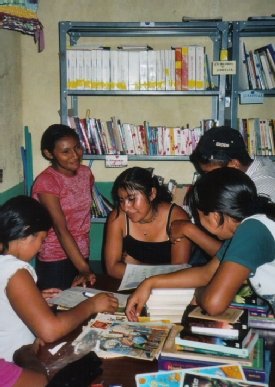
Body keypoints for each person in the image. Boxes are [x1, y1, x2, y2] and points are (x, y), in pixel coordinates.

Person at [126, 167, 275, 321]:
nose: (198, 222)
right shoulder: (248, 226)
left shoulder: (251, 230)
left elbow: (213, 304)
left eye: (198, 215)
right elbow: (206, 273)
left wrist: (198, 292)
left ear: (215, 216)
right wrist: (149, 283)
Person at [0, 195, 118, 362]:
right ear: (26, 231)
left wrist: (32, 301)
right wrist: (92, 305)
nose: (41, 249)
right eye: (42, 240)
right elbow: (50, 331)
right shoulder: (15, 270)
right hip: (14, 364)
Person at [170, 125, 275, 264]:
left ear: (234, 165)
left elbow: (237, 255)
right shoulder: (254, 166)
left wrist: (188, 229)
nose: (208, 180)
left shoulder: (264, 190)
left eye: (211, 173)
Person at [32, 124, 96, 290]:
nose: (75, 155)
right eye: (66, 151)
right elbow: (60, 229)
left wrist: (83, 264)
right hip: (55, 259)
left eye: (77, 148)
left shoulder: (86, 173)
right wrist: (83, 269)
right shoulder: (47, 182)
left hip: (82, 253)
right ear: (49, 154)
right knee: (56, 309)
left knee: (81, 306)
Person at [104, 167, 192, 279]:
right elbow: (112, 268)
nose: (125, 207)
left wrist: (138, 266)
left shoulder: (176, 217)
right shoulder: (117, 217)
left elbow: (179, 272)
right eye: (121, 200)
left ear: (152, 194)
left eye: (131, 199)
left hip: (169, 289)